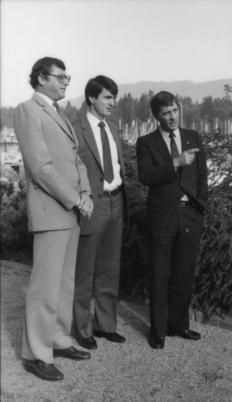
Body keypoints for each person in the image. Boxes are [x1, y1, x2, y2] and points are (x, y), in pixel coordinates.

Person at [13, 57, 93, 381]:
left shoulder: (60, 113)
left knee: (64, 284)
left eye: (67, 77)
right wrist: (76, 199)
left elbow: (76, 162)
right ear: (42, 78)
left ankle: (59, 339)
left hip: (71, 212)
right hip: (51, 211)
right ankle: (35, 353)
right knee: (44, 287)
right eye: (61, 77)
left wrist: (85, 193)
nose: (66, 83)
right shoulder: (27, 110)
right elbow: (42, 167)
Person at [136, 91, 208, 349]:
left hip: (190, 215)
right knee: (159, 273)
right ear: (156, 116)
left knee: (184, 273)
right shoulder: (146, 142)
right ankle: (158, 331)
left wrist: (200, 211)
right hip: (162, 217)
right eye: (166, 113)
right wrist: (175, 162)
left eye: (175, 110)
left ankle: (179, 325)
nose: (172, 116)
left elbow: (202, 179)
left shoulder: (192, 137)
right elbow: (146, 176)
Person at [71, 75, 127, 349]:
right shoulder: (75, 129)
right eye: (107, 96)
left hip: (117, 201)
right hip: (93, 204)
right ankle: (82, 328)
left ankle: (106, 325)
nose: (113, 102)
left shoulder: (113, 128)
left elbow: (117, 166)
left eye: (114, 97)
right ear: (92, 98)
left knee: (110, 267)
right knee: (86, 269)